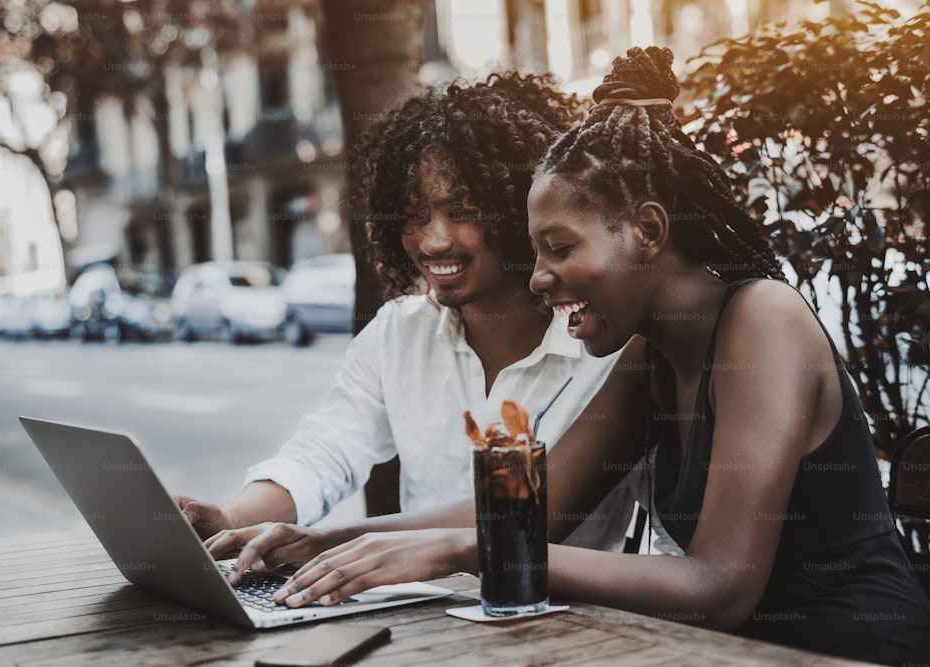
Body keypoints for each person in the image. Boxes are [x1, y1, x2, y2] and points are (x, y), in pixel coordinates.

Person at [250, 48, 930, 665]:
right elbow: (532, 511)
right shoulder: (651, 359)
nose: (539, 278)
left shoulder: (764, 321)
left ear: (649, 231)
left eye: (559, 246)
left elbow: (718, 585)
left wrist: (469, 549)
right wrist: (327, 542)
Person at [178, 72, 655, 565]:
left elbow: (535, 516)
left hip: (573, 630)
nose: (432, 241)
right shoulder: (398, 332)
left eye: (463, 210)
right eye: (412, 215)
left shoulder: (607, 343)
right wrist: (233, 518)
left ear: (523, 208)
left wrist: (333, 542)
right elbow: (325, 451)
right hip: (424, 623)